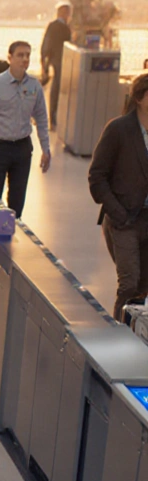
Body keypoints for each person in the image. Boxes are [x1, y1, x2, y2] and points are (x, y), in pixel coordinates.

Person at [89, 74, 148, 319]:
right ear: (140, 98)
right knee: (129, 284)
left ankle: (135, 337)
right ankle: (119, 336)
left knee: (143, 287)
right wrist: (118, 213)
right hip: (124, 220)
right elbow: (97, 176)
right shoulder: (119, 129)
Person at [0, 41, 51, 219]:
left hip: (22, 149)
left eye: (28, 55)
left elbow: (41, 118)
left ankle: (9, 239)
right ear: (9, 58)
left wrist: (46, 149)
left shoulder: (34, 86)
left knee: (17, 200)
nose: (24, 59)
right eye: (20, 55)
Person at [42, 3, 73, 122]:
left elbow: (46, 44)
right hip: (59, 60)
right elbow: (47, 45)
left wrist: (44, 62)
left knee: (58, 86)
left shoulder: (62, 26)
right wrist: (44, 63)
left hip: (58, 59)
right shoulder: (58, 26)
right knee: (57, 87)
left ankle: (54, 115)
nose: (68, 15)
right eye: (67, 12)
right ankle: (53, 116)